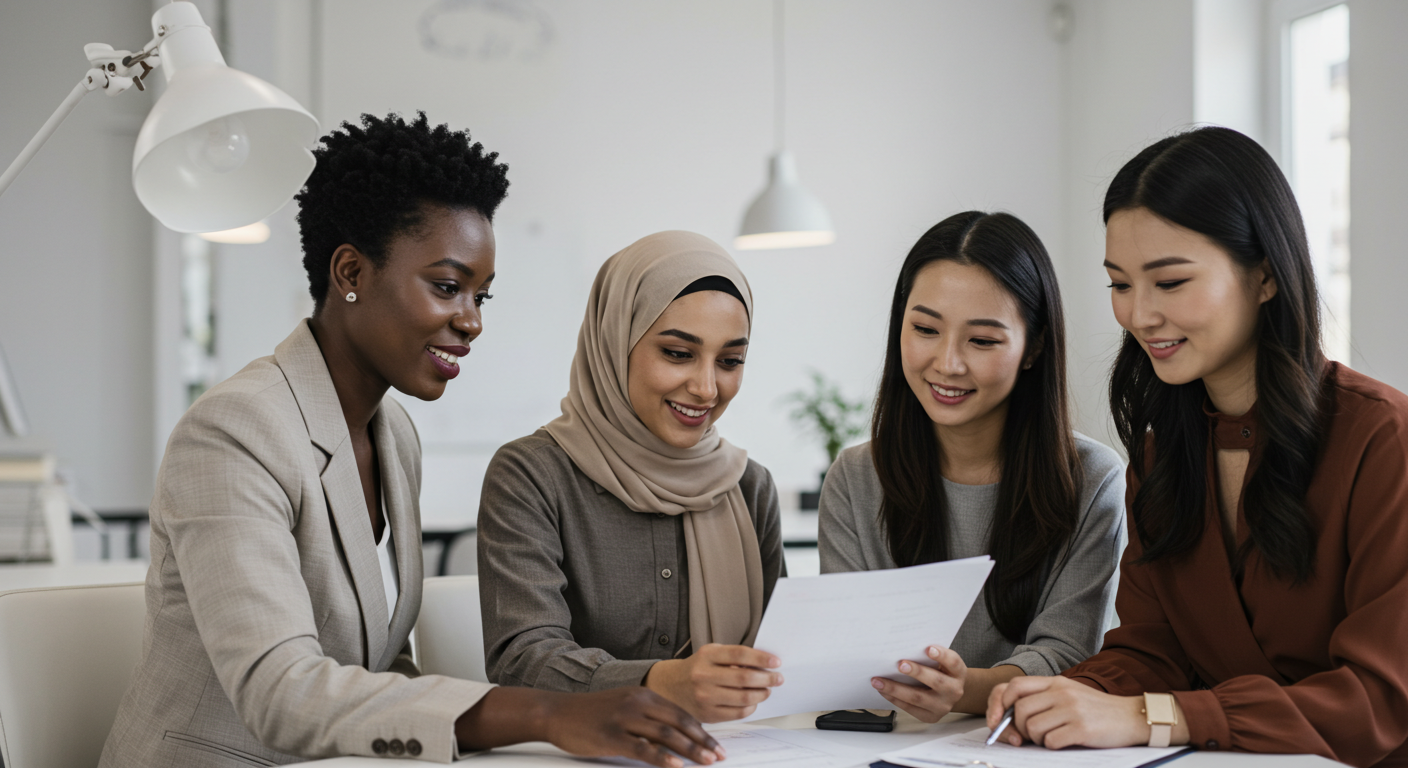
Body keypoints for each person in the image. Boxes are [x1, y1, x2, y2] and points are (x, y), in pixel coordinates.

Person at [100, 114, 722, 768]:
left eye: (482, 295)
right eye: (448, 287)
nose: (472, 321)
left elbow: (377, 664)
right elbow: (278, 691)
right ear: (351, 272)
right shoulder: (233, 431)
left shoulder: (393, 435)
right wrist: (546, 711)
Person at [987, 126, 1408, 767]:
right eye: (1119, 284)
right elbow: (1152, 651)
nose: (1138, 314)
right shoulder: (1161, 456)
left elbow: (1379, 698)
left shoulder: (1383, 440)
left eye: (1170, 282)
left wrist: (1154, 716)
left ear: (1265, 275)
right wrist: (1063, 695)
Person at [819, 210, 1126, 723]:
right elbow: (848, 658)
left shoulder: (1093, 480)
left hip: (1030, 748)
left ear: (1035, 347)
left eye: (981, 340)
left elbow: (1071, 656)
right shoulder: (855, 478)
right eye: (925, 329)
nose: (947, 363)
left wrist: (964, 691)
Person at [477, 231, 787, 723]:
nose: (707, 388)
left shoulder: (749, 486)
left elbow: (783, 654)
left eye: (729, 361)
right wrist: (660, 683)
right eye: (678, 354)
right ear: (614, 341)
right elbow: (521, 659)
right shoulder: (532, 474)